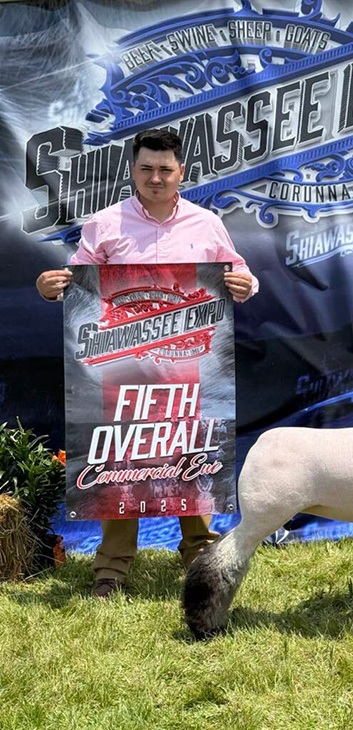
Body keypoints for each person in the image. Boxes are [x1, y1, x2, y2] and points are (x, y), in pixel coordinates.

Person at [37, 129, 258, 597]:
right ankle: (111, 569)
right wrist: (50, 285)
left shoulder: (206, 224)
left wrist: (245, 283)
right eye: (146, 169)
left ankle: (200, 558)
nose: (156, 177)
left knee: (192, 458)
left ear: (181, 172)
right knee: (120, 462)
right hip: (120, 370)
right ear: (133, 171)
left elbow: (238, 271)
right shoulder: (105, 224)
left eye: (164, 169)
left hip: (190, 370)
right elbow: (77, 281)